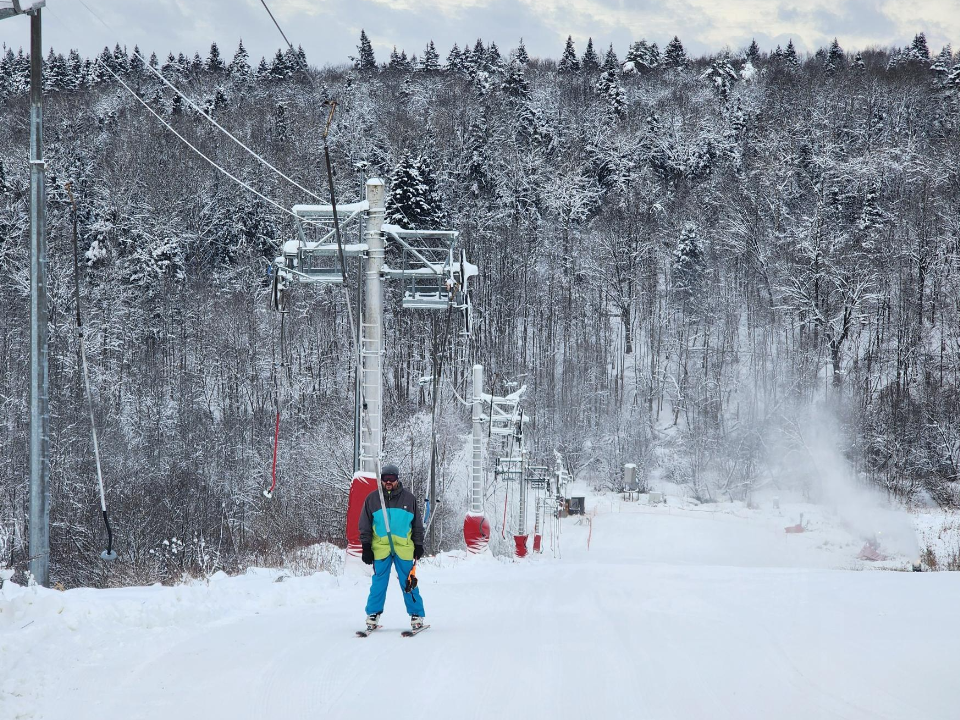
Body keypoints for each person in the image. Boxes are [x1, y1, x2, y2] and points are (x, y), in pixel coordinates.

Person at [358, 462, 425, 630]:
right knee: (379, 582)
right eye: (385, 478)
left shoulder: (409, 499)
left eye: (392, 478)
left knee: (408, 581)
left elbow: (417, 524)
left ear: (397, 479)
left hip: (404, 547)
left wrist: (418, 544)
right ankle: (373, 613)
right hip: (381, 548)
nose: (388, 482)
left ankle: (416, 614)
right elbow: (364, 524)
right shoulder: (373, 499)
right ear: (381, 480)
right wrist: (366, 546)